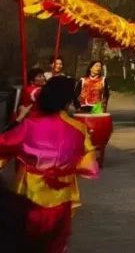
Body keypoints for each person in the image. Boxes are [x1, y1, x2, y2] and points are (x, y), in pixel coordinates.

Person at [0, 76, 99, 252]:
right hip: (61, 198)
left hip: (29, 196)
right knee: (55, 244)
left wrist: (17, 121)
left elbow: (3, 145)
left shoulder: (29, 125)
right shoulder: (79, 129)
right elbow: (89, 166)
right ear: (68, 100)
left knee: (24, 241)